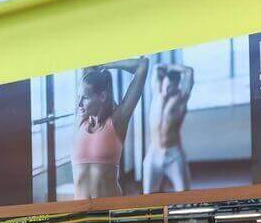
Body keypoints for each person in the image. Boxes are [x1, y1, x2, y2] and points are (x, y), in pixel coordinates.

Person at [71, 57, 149, 200]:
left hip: (109, 210)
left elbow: (142, 65)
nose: (79, 104)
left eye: (85, 98)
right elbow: (87, 66)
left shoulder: (117, 122)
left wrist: (105, 65)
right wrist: (96, 68)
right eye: (79, 97)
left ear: (102, 96)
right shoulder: (80, 122)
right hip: (80, 211)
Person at [142, 62, 195, 193]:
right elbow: (156, 68)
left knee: (184, 195)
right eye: (165, 84)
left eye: (170, 86)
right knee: (148, 195)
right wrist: (167, 69)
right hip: (154, 153)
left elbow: (189, 71)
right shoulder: (156, 94)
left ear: (176, 86)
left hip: (173, 155)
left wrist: (172, 68)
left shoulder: (181, 99)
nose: (166, 89)